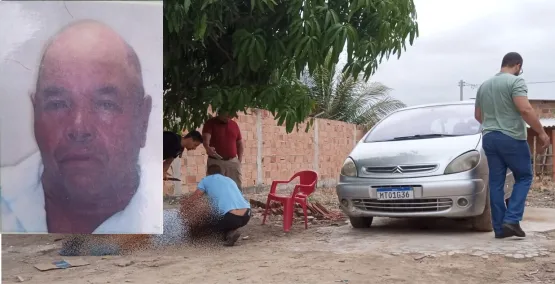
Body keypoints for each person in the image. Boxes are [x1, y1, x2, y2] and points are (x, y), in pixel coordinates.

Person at [0, 19, 159, 234]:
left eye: (105, 104)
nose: (79, 127)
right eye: (57, 104)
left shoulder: (166, 218)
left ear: (143, 119)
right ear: (35, 113)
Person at [474, 52, 551, 239]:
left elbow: (478, 116)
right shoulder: (516, 82)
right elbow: (525, 109)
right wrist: (541, 132)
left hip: (489, 138)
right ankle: (512, 219)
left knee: (496, 183)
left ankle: (500, 229)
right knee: (524, 176)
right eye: (520, 69)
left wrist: (494, 122)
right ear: (517, 65)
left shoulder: (484, 86)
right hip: (511, 137)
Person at [182, 164, 251, 246]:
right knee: (224, 217)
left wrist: (183, 209)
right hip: (247, 215)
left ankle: (226, 232)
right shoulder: (229, 180)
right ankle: (231, 232)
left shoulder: (205, 180)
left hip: (230, 217)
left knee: (207, 222)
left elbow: (195, 198)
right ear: (222, 173)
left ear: (207, 173)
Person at [202, 111, 244, 189]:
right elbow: (205, 140)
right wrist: (207, 148)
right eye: (226, 115)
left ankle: (236, 201)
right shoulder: (210, 123)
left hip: (232, 162)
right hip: (216, 161)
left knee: (236, 187)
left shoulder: (234, 125)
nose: (228, 117)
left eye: (230, 116)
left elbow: (240, 143)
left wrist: (239, 160)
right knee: (214, 187)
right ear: (219, 112)